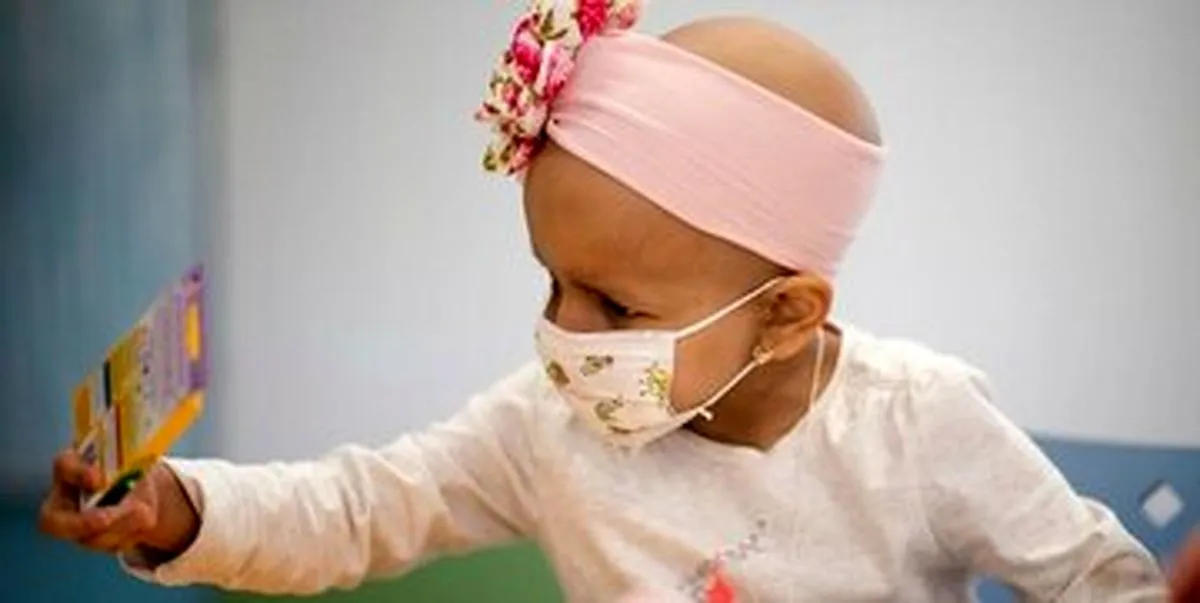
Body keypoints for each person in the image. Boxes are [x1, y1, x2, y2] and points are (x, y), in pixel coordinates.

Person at [39, 1, 1178, 601]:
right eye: (554, 281)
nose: (564, 334)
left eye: (618, 308)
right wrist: (178, 509)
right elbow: (362, 508)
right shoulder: (549, 426)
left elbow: (1100, 581)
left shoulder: (917, 422)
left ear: (786, 314)